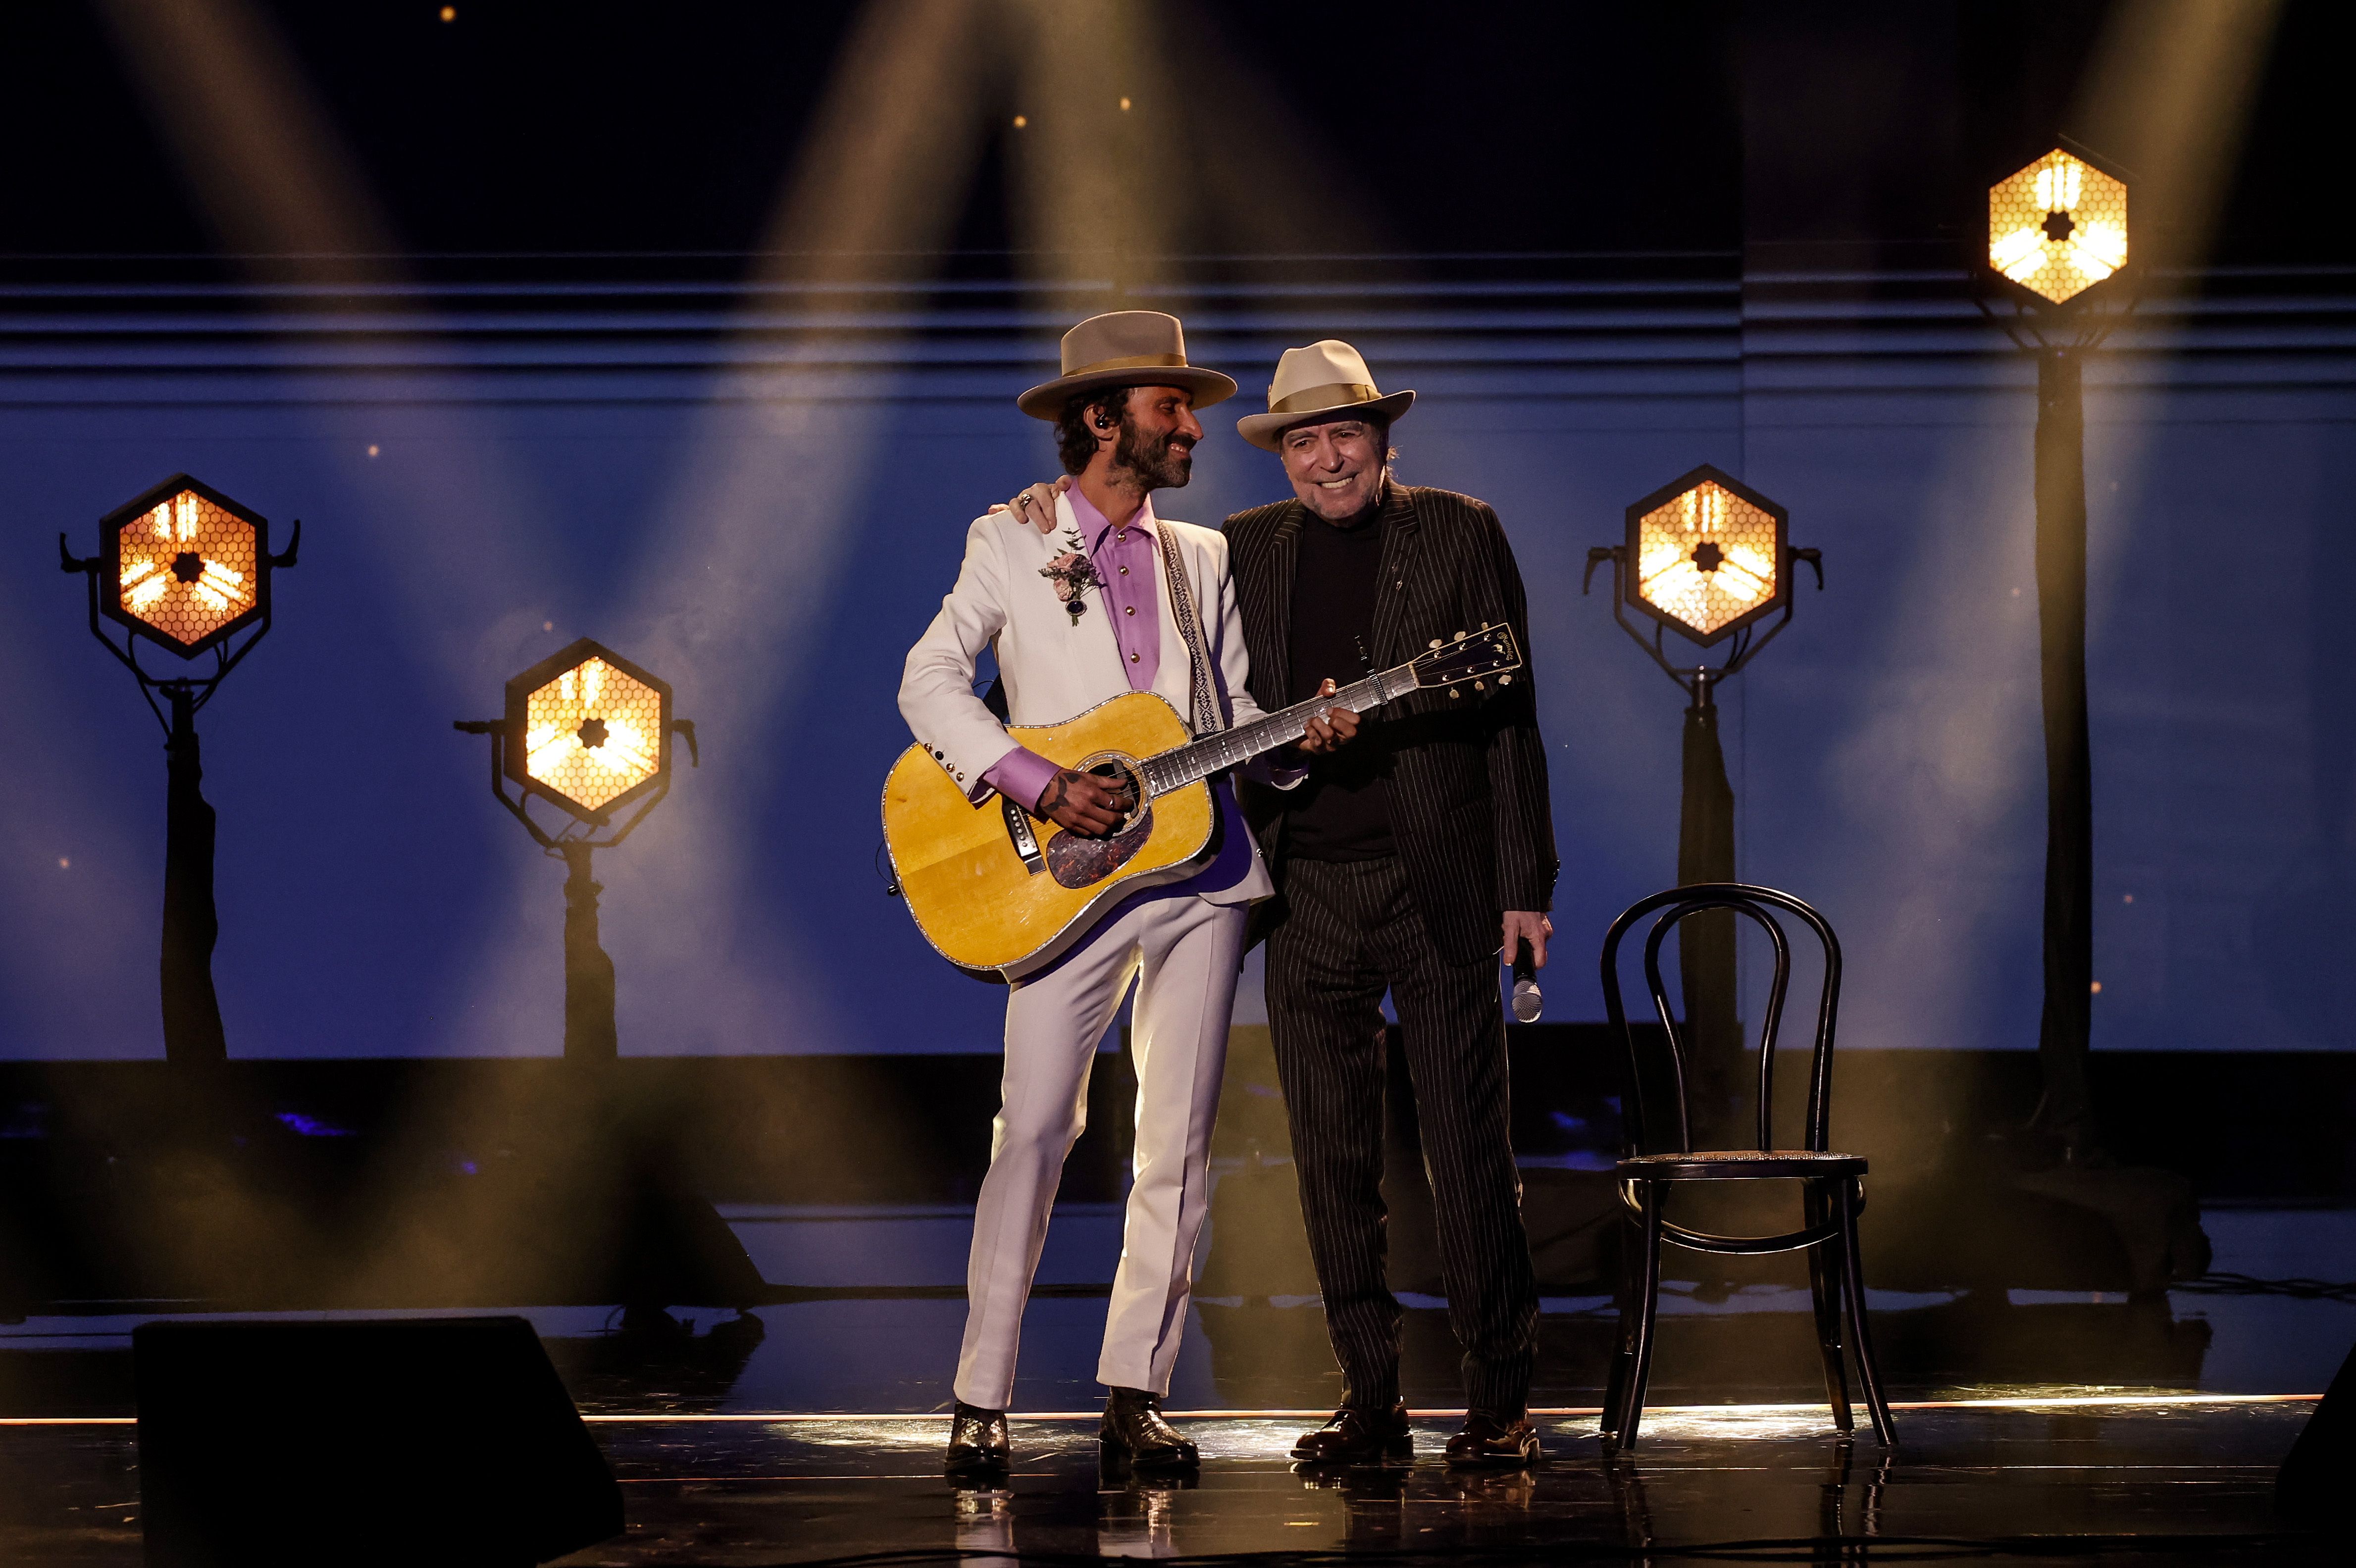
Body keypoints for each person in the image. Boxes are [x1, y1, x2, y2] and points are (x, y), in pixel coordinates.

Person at [1005, 339, 1558, 1466]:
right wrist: (1042, 516)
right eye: (1302, 441)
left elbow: (1510, 716)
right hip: (1302, 886)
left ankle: (1501, 1404)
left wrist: (1524, 886)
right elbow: (1115, 561)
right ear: (1283, 459)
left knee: (1467, 1147)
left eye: (1343, 434)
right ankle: (1373, 1399)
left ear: (1383, 439)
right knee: (1332, 1155)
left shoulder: (1459, 530)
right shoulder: (1238, 548)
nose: (1326, 459)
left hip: (1438, 880)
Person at [900, 310, 1349, 1478]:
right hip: (1066, 883)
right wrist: (1038, 784)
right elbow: (930, 680)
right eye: (1170, 409)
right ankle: (980, 1397)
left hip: (1200, 871)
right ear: (1104, 420)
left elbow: (1234, 716)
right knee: (1037, 1129)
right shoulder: (1012, 539)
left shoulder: (1203, 555)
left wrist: (1306, 739)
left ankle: (1134, 1395)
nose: (1193, 427)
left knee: (1179, 1143)